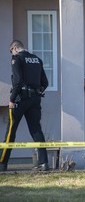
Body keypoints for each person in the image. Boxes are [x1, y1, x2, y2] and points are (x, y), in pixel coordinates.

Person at [0, 40, 49, 171]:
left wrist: (11, 99)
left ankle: (2, 163)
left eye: (11, 51)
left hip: (20, 99)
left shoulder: (17, 59)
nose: (11, 53)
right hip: (35, 99)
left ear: (14, 48)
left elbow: (17, 81)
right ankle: (44, 163)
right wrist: (37, 92)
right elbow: (45, 82)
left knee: (11, 130)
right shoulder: (37, 59)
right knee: (36, 130)